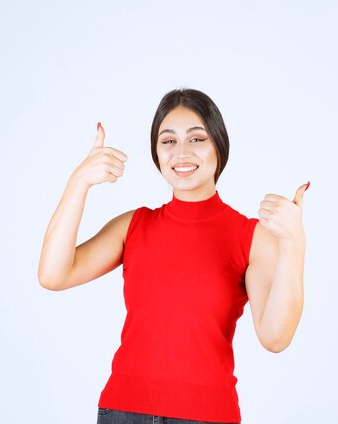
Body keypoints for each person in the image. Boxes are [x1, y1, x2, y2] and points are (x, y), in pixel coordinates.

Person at [38, 88, 309, 424]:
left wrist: (294, 243)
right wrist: (79, 182)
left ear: (219, 147)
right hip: (123, 412)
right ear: (156, 153)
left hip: (207, 416)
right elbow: (53, 275)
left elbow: (275, 337)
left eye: (197, 139)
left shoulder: (251, 237)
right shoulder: (133, 226)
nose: (182, 152)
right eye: (168, 141)